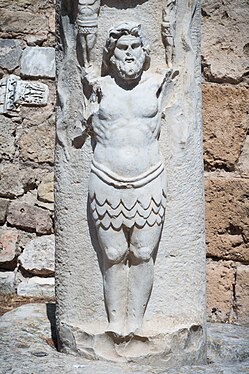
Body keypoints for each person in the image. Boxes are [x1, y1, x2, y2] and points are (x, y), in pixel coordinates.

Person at [87, 22, 175, 339]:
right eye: (122, 48)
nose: (128, 53)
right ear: (110, 54)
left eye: (134, 47)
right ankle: (113, 324)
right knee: (111, 255)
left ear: (144, 52)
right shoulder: (98, 86)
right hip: (105, 179)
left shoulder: (158, 83)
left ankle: (136, 324)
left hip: (149, 179)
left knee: (142, 253)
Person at [77, 0, 101, 67]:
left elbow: (96, 8)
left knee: (90, 45)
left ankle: (91, 61)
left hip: (92, 22)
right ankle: (84, 62)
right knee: (83, 46)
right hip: (81, 22)